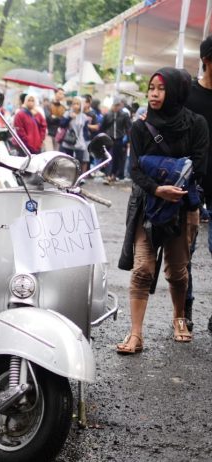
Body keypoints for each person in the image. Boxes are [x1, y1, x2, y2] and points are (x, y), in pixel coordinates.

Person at [116, 68, 208, 354]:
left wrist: (172, 185)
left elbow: (199, 166)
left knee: (178, 271)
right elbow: (135, 170)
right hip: (148, 205)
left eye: (161, 88)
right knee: (142, 269)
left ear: (176, 92)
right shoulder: (140, 127)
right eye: (151, 87)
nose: (154, 94)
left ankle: (179, 317)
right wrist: (158, 189)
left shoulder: (196, 124)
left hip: (182, 207)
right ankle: (136, 333)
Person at [184, 35, 212, 331]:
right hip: (193, 182)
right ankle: (186, 308)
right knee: (186, 250)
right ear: (206, 60)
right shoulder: (189, 95)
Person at [100, 99, 131, 184]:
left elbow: (128, 128)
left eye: (117, 105)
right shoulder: (108, 114)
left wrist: (129, 140)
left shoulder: (124, 115)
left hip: (119, 139)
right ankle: (108, 175)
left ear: (120, 106)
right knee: (108, 156)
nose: (116, 107)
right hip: (108, 138)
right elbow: (102, 127)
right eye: (114, 105)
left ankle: (113, 174)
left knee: (117, 157)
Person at [59, 97, 91, 173]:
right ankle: (68, 175)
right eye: (74, 104)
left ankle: (77, 176)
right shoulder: (67, 113)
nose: (75, 106)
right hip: (69, 141)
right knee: (68, 161)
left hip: (80, 142)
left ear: (81, 105)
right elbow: (62, 125)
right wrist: (69, 118)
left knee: (79, 161)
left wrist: (86, 142)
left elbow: (85, 130)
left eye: (77, 104)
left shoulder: (83, 116)